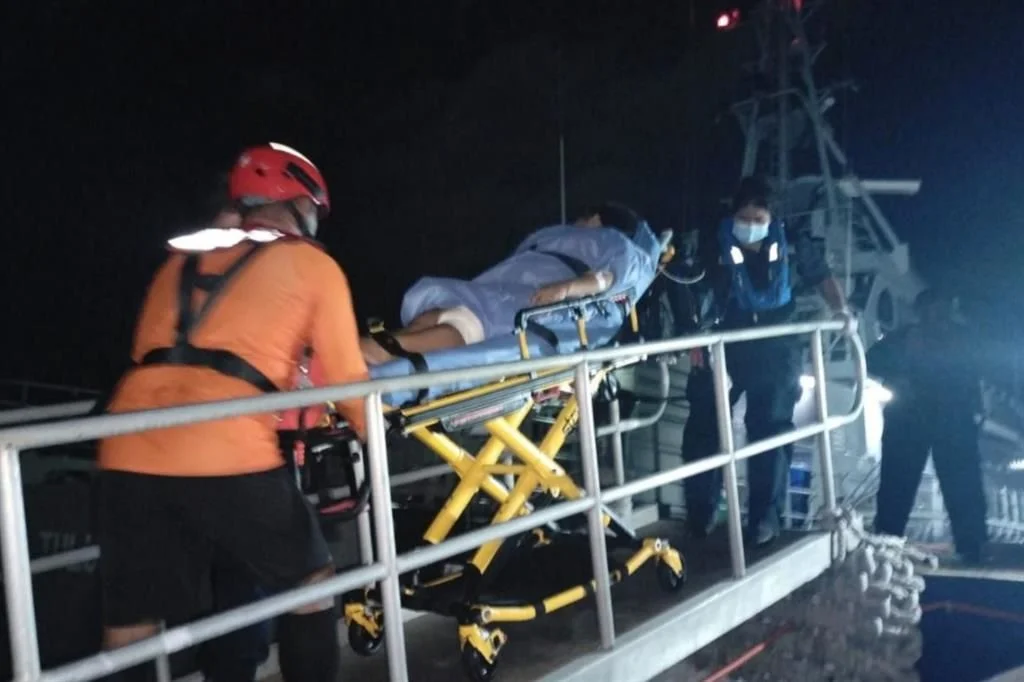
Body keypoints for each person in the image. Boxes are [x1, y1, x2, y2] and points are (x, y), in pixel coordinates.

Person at [96, 142, 369, 682]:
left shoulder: (178, 263)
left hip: (125, 448)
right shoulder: (313, 266)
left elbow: (154, 354)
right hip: (227, 450)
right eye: (315, 212)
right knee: (312, 585)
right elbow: (348, 381)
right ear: (298, 204)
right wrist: (373, 432)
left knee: (131, 623)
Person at [670, 176, 853, 547]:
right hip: (722, 342)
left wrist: (841, 309)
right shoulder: (711, 244)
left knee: (770, 428)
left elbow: (821, 275)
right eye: (744, 218)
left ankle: (764, 521)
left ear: (771, 219)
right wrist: (691, 337)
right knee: (704, 422)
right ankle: (700, 514)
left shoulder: (793, 243)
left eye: (759, 219)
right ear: (733, 215)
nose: (751, 225)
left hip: (776, 345)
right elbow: (686, 285)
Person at [359, 202, 663, 364]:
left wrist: (566, 289)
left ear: (596, 219)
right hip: (500, 289)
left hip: (534, 302)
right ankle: (385, 347)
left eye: (582, 219)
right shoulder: (557, 240)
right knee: (442, 312)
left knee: (469, 322)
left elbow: (607, 279)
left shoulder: (615, 243)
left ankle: (382, 352)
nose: (575, 224)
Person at [868, 289, 988, 564]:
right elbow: (871, 359)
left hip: (951, 419)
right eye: (933, 309)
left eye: (943, 308)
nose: (939, 315)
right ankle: (887, 542)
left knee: (963, 486)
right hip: (910, 419)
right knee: (897, 484)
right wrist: (898, 375)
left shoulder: (963, 338)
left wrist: (978, 408)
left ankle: (973, 546)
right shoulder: (902, 338)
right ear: (921, 312)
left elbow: (977, 371)